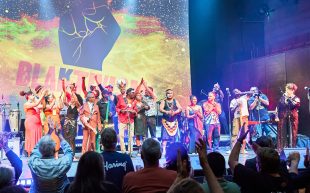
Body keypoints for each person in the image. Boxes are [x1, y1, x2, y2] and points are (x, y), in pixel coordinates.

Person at [228, 125, 310, 193]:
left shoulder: (254, 178)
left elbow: (232, 161)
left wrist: (239, 140)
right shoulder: (287, 179)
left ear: (259, 166)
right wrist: (295, 161)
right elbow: (293, 173)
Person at [28, 119, 73, 193]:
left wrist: (49, 132)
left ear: (40, 150)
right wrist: (59, 135)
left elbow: (36, 148)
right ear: (54, 150)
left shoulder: (33, 163)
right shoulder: (63, 164)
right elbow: (69, 152)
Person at [20, 88, 47, 156]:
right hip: (31, 123)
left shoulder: (34, 103)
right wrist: (42, 94)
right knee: (32, 137)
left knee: (38, 137)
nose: (33, 96)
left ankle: (38, 153)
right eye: (32, 95)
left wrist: (42, 97)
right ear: (28, 96)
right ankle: (31, 154)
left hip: (37, 124)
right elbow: (37, 104)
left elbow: (42, 106)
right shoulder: (26, 104)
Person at [62, 79, 83, 159]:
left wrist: (72, 91)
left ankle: (73, 155)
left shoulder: (78, 105)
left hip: (73, 123)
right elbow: (64, 101)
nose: (72, 99)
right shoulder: (69, 105)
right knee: (67, 139)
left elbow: (77, 100)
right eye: (72, 98)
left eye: (73, 98)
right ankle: (67, 154)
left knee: (72, 140)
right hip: (66, 122)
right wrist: (65, 91)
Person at [277, 83, 300, 150]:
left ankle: (293, 147)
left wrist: (289, 99)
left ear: (293, 90)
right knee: (282, 131)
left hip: (293, 116)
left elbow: (295, 105)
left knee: (293, 132)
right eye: (286, 89)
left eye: (288, 89)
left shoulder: (296, 98)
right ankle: (282, 148)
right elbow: (279, 106)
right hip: (284, 116)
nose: (286, 91)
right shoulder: (283, 97)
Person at [159, 89, 182, 155]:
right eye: (168, 93)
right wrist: (167, 112)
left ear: (173, 94)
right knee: (165, 137)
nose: (169, 94)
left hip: (174, 121)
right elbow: (160, 109)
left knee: (173, 137)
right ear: (166, 94)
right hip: (166, 121)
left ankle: (173, 149)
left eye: (171, 93)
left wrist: (175, 112)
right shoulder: (164, 101)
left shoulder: (175, 101)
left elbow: (180, 108)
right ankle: (164, 150)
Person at [116, 87, 137, 154]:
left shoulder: (134, 101)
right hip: (122, 120)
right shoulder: (121, 99)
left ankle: (130, 151)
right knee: (121, 135)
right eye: (132, 92)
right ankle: (123, 151)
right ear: (128, 93)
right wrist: (121, 110)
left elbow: (136, 110)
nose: (133, 94)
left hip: (130, 120)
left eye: (134, 92)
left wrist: (133, 112)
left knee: (131, 136)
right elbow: (117, 108)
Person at [43, 92, 64, 158]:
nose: (53, 98)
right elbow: (49, 107)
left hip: (57, 123)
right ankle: (48, 155)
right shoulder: (46, 106)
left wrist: (60, 98)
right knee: (50, 139)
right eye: (51, 97)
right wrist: (55, 100)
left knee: (57, 139)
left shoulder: (56, 105)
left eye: (53, 96)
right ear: (48, 100)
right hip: (49, 124)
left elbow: (61, 106)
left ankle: (56, 155)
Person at [229, 89, 249, 153]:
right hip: (237, 118)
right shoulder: (233, 101)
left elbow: (251, 92)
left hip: (244, 117)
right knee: (235, 134)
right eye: (235, 92)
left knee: (244, 133)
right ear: (233, 94)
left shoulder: (244, 97)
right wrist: (236, 105)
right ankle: (233, 149)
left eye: (237, 91)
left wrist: (243, 92)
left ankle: (243, 149)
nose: (236, 92)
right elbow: (231, 110)